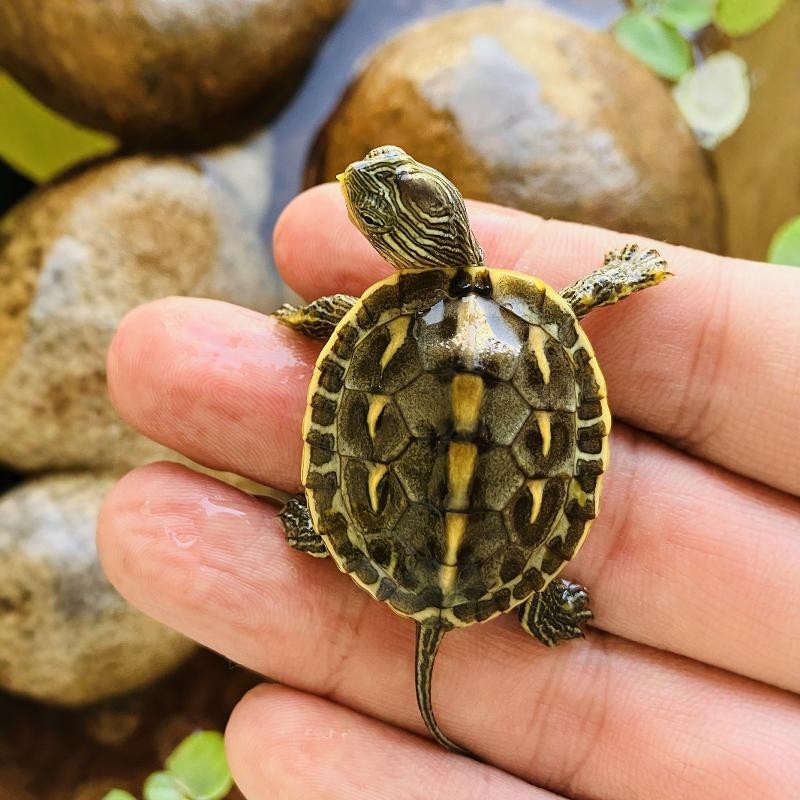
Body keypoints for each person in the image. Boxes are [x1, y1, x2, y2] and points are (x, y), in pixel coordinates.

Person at [98, 184, 800, 799]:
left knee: (314, 516)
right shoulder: (531, 317)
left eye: (381, 212)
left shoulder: (376, 320)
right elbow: (565, 313)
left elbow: (355, 340)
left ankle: (333, 533)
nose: (368, 201)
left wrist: (331, 325)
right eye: (374, 211)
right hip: (500, 564)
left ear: (422, 236)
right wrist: (614, 277)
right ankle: (535, 603)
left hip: (384, 547)